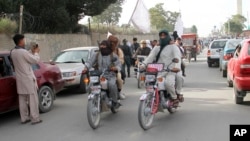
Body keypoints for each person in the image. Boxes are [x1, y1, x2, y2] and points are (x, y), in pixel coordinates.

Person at [140, 30, 182, 103]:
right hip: (159, 71)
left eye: (164, 35)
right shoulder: (157, 47)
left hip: (171, 70)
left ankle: (174, 98)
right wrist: (143, 65)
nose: (162, 37)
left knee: (168, 83)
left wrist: (177, 67)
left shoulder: (173, 47)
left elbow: (177, 57)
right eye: (161, 36)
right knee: (153, 84)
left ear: (168, 36)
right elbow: (150, 57)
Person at [11, 34, 42, 125]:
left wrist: (30, 51)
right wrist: (36, 52)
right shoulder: (23, 52)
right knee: (33, 100)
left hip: (20, 80)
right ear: (20, 41)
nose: (25, 41)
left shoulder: (13, 52)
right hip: (28, 79)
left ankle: (24, 118)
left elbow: (24, 56)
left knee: (22, 100)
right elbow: (34, 60)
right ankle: (35, 118)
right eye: (24, 40)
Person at [84, 40, 121, 107]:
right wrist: (86, 68)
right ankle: (94, 100)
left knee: (111, 85)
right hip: (98, 75)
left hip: (110, 75)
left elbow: (118, 64)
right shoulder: (97, 54)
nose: (102, 46)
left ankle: (114, 101)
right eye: (101, 45)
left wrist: (115, 68)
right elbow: (90, 62)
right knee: (90, 85)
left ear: (108, 46)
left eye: (104, 45)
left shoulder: (113, 55)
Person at [108, 35, 126, 99]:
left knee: (119, 79)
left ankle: (119, 92)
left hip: (114, 70)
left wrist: (115, 66)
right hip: (105, 70)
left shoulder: (118, 50)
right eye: (111, 42)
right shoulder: (105, 50)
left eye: (114, 42)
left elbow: (121, 60)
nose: (113, 43)